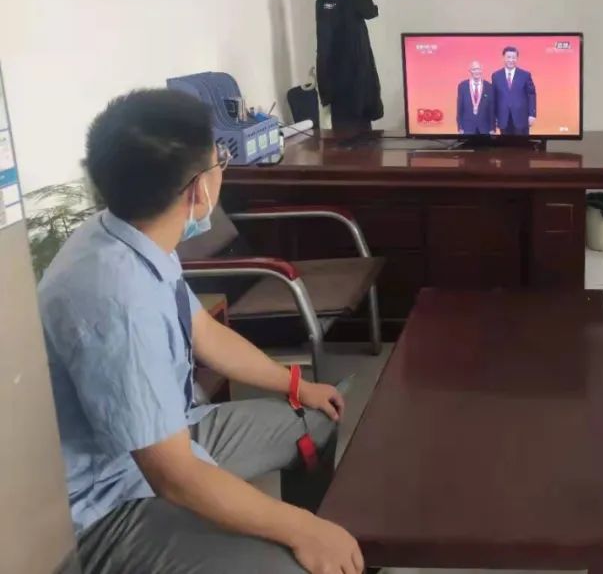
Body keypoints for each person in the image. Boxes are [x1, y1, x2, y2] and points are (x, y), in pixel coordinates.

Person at [39, 89, 364, 574]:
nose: (223, 170)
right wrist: (301, 529)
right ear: (198, 192)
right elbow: (173, 476)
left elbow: (204, 334)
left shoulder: (129, 233)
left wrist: (296, 384)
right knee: (287, 566)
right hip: (108, 503)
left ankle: (318, 544)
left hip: (167, 433)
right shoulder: (117, 302)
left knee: (316, 422)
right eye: (220, 160)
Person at [491, 45, 536, 135]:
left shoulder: (525, 75)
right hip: (503, 118)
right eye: (508, 57)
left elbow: (531, 95)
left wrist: (532, 114)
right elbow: (494, 97)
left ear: (517, 58)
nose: (511, 60)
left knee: (521, 143)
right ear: (503, 58)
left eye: (513, 57)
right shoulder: (496, 76)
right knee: (505, 143)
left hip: (521, 117)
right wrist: (493, 117)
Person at [456, 60, 495, 135]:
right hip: (467, 127)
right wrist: (460, 127)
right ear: (470, 71)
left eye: (478, 69)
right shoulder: (462, 86)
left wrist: (492, 128)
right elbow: (460, 107)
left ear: (482, 70)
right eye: (474, 69)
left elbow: (491, 109)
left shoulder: (489, 86)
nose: (477, 72)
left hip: (485, 128)